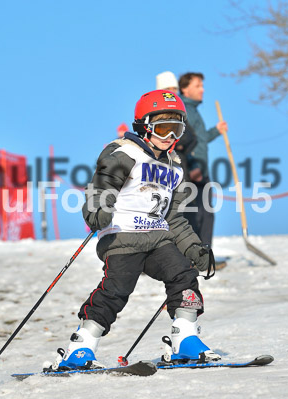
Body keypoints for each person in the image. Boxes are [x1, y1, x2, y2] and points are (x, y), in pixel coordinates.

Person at [50, 90, 219, 371]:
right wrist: (97, 210)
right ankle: (81, 347)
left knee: (184, 276)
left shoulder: (175, 167)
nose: (169, 136)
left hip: (158, 238)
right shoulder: (124, 152)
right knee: (116, 290)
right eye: (163, 128)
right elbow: (101, 187)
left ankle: (186, 339)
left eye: (176, 129)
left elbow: (175, 218)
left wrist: (194, 248)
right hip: (122, 237)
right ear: (144, 126)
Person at [177, 72, 228, 250]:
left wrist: (216, 130)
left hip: (200, 169)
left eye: (202, 85)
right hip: (193, 170)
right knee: (197, 214)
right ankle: (196, 256)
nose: (202, 89)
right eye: (197, 85)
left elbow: (201, 138)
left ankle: (202, 255)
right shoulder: (184, 110)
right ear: (184, 89)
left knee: (206, 214)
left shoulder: (194, 111)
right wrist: (193, 166)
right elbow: (185, 143)